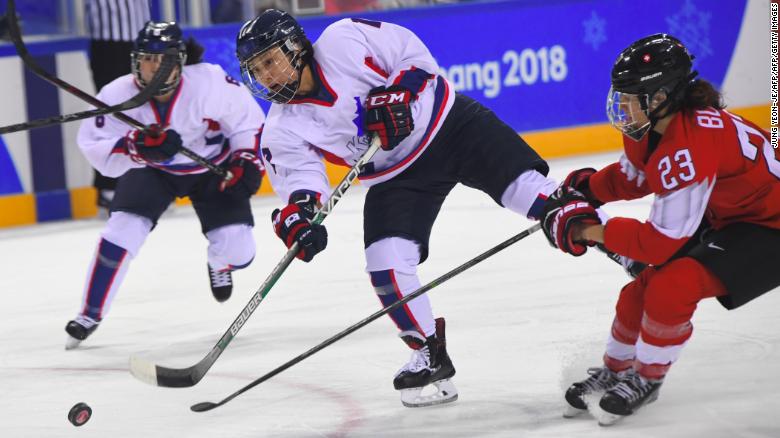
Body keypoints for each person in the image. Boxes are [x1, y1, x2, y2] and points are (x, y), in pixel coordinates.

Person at [234, 10, 558, 407]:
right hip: (397, 176)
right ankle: (428, 352)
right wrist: (299, 219)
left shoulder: (343, 39)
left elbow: (413, 56)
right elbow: (302, 185)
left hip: (452, 126)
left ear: (295, 46)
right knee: (385, 265)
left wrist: (399, 93)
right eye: (256, 69)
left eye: (270, 61)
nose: (265, 76)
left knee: (535, 197)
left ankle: (618, 243)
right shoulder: (282, 127)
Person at [540, 34, 780, 425]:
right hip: (730, 214)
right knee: (639, 290)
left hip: (771, 226)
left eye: (632, 95)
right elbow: (634, 179)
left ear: (661, 96)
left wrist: (588, 231)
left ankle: (646, 379)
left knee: (674, 284)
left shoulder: (692, 144)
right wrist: (585, 190)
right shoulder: (652, 127)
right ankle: (615, 370)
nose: (622, 105)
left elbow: (658, 244)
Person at [65, 21, 266, 349]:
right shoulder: (117, 94)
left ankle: (218, 262)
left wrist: (245, 160)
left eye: (163, 61)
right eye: (147, 60)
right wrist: (137, 146)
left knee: (240, 251)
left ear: (179, 62)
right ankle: (88, 315)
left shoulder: (210, 82)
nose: (154, 69)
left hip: (212, 168)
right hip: (152, 171)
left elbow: (248, 122)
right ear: (135, 61)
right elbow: (95, 145)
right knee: (121, 229)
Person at [85, 0, 152, 210]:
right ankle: (109, 187)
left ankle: (149, 182)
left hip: (144, 37)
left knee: (145, 111)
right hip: (109, 41)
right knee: (113, 112)